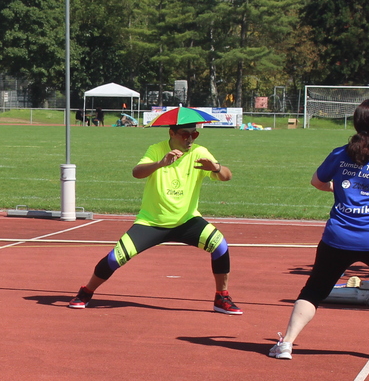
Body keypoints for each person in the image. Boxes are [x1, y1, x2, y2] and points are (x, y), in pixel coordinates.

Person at [269, 99, 369, 364]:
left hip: (338, 236)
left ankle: (286, 343)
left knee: (314, 290)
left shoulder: (339, 154)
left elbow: (317, 181)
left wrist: (338, 189)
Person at [68, 117, 241, 315]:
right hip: (151, 222)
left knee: (220, 245)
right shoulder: (156, 149)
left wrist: (217, 168)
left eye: (194, 134)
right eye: (185, 134)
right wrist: (160, 163)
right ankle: (86, 291)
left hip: (187, 221)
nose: (190, 139)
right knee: (116, 258)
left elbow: (227, 175)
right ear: (171, 133)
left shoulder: (199, 152)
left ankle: (221, 297)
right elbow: (137, 172)